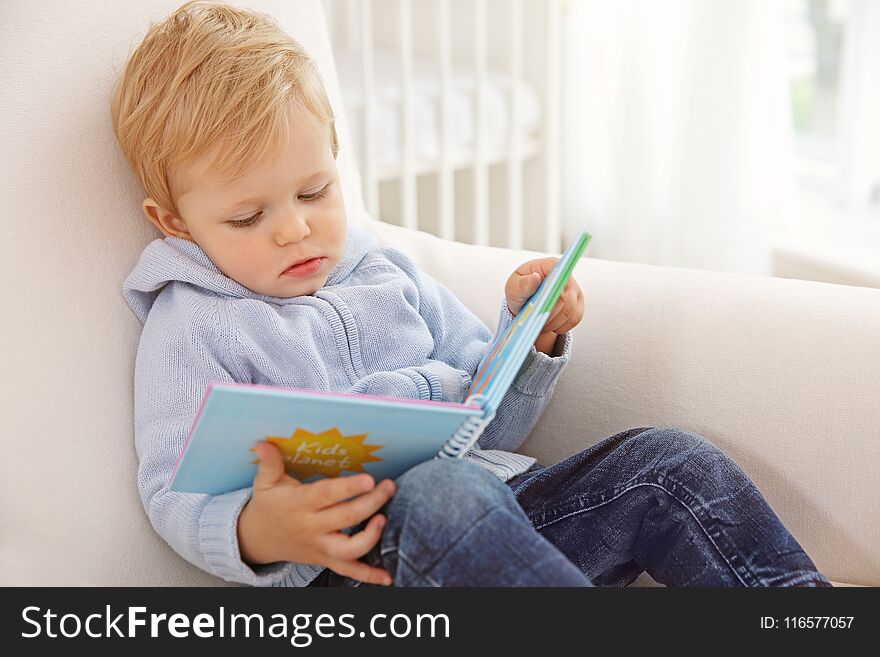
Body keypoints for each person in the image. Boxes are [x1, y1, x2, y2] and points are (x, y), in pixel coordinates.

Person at [114, 1, 830, 588]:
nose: (296, 229)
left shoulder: (383, 269)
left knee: (671, 461)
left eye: (314, 190)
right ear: (174, 222)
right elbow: (172, 491)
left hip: (509, 523)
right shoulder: (192, 324)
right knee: (443, 494)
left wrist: (532, 335)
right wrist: (259, 531)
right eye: (248, 217)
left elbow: (490, 419)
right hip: (359, 570)